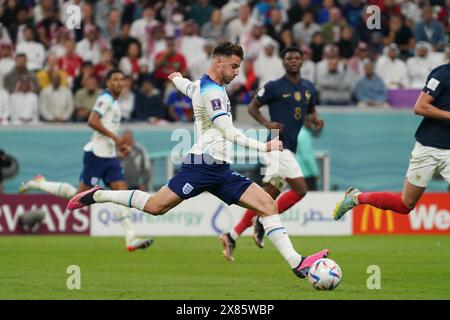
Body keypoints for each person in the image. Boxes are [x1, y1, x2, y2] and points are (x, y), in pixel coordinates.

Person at [67, 42, 329, 279]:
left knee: (268, 206)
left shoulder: (203, 86)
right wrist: (265, 146)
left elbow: (188, 86)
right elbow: (228, 131)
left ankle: (298, 263)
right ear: (219, 63)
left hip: (222, 171)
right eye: (234, 66)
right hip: (201, 166)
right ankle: (100, 195)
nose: (238, 72)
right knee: (156, 207)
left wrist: (176, 78)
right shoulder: (213, 93)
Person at [19, 69, 153, 252]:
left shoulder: (115, 103)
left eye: (122, 79)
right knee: (78, 195)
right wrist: (115, 138)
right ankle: (40, 183)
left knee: (121, 192)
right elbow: (92, 121)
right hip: (96, 156)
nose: (119, 82)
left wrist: (118, 147)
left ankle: (131, 238)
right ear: (107, 82)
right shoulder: (105, 99)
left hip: (109, 156)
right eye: (114, 79)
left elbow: (106, 131)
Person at [220, 46, 325, 259]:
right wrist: (268, 123)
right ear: (283, 62)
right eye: (289, 58)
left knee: (266, 196)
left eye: (297, 57)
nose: (293, 61)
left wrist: (315, 120)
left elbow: (310, 111)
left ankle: (232, 235)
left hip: (289, 147)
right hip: (277, 144)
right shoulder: (274, 87)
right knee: (300, 189)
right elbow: (252, 107)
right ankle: (260, 220)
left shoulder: (309, 88)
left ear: (302, 61)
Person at [333, 62, 450, 221]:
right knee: (405, 205)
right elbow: (420, 107)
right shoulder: (443, 73)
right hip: (428, 148)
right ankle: (356, 198)